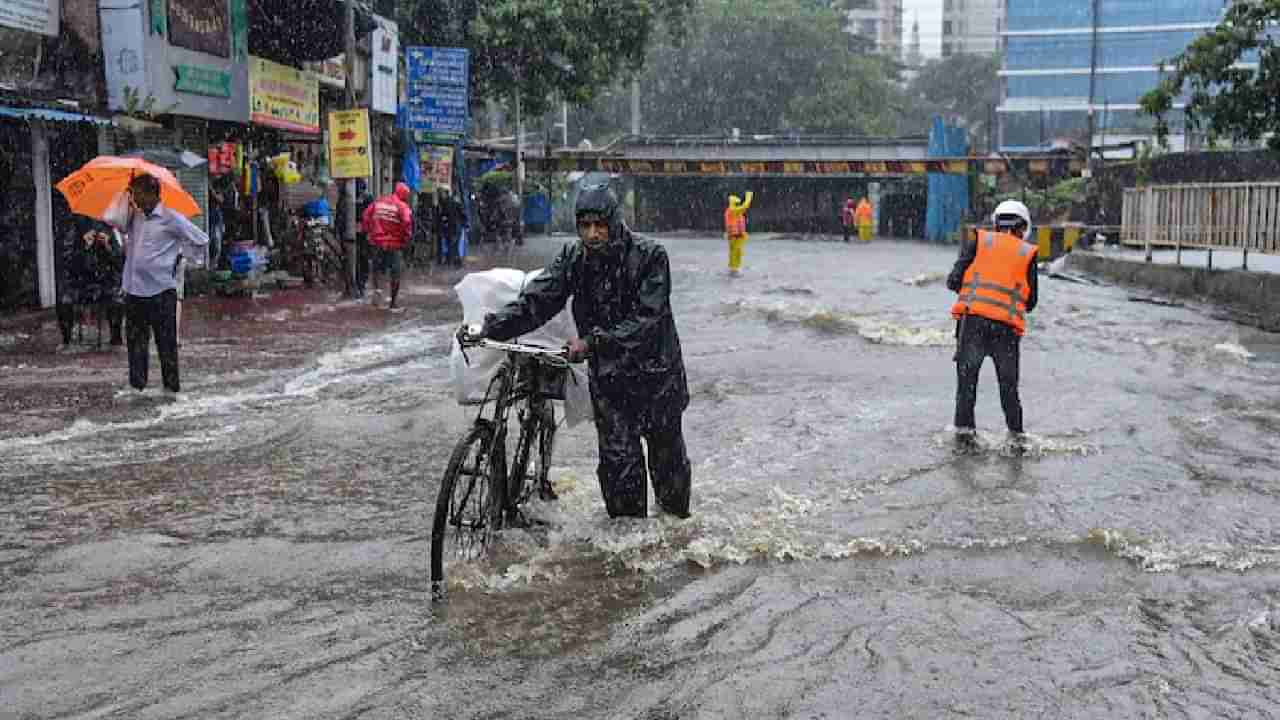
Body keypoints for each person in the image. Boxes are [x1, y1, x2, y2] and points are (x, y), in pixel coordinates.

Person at [459, 184, 692, 519]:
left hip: (658, 379)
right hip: (611, 382)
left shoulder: (651, 256)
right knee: (619, 471)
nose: (593, 234)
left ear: (615, 222)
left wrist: (591, 343)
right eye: (585, 226)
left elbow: (647, 320)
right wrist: (490, 327)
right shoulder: (574, 258)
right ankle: (630, 555)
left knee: (669, 474)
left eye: (600, 226)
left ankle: (674, 544)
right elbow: (538, 301)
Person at [947, 199, 1039, 444]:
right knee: (1008, 390)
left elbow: (953, 281)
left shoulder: (978, 241)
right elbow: (1031, 302)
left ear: (996, 222)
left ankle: (964, 441)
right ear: (1024, 228)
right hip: (1006, 331)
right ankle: (1017, 439)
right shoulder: (1027, 252)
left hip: (972, 325)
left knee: (966, 388)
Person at [120, 173, 209, 394]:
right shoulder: (135, 217)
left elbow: (201, 240)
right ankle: (137, 388)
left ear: (152, 194)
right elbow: (115, 221)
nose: (136, 199)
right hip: (134, 291)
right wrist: (125, 198)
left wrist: (181, 256)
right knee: (135, 345)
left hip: (161, 292)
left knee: (166, 346)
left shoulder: (171, 218)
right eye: (133, 194)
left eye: (138, 193)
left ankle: (171, 391)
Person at [57, 218, 124, 348]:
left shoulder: (109, 228)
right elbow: (68, 262)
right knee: (64, 301)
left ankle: (116, 339)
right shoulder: (76, 228)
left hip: (104, 283)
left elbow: (119, 262)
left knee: (117, 300)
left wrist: (108, 246)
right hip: (80, 283)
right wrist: (85, 246)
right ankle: (66, 340)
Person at [360, 182, 413, 309]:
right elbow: (407, 224)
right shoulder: (402, 207)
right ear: (404, 195)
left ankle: (377, 290)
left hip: (377, 243)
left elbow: (366, 216)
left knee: (376, 268)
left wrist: (369, 232)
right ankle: (393, 302)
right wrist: (406, 240)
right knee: (396, 272)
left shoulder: (379, 202)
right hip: (394, 245)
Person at [724, 191, 753, 276]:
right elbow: (745, 206)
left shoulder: (736, 212)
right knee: (735, 253)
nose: (738, 205)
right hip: (733, 237)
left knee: (737, 253)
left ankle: (734, 268)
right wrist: (749, 197)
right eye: (737, 203)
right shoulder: (732, 211)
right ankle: (733, 269)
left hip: (739, 237)